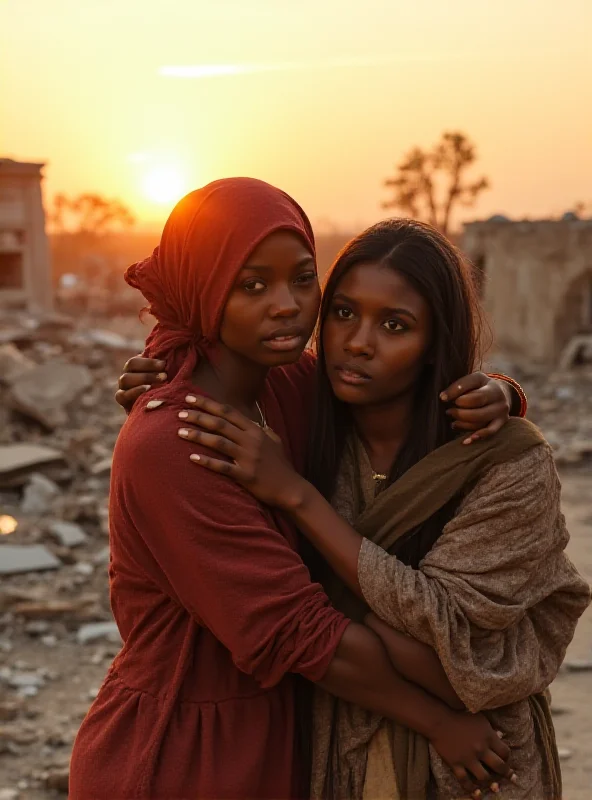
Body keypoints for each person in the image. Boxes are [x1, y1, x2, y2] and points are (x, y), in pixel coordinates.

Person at [72, 179, 524, 800]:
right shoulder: (173, 442)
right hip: (183, 750)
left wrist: (500, 395)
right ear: (203, 289)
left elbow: (403, 390)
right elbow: (300, 632)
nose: (286, 305)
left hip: (276, 734)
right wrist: (441, 722)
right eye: (252, 285)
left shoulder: (288, 386)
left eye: (303, 279)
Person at [140, 218, 591, 799]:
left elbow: (460, 658)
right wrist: (161, 378)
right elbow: (214, 365)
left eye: (395, 325)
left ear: (436, 343)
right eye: (344, 313)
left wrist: (299, 502)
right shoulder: (302, 416)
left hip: (480, 766)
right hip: (340, 752)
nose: (358, 342)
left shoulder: (509, 466)